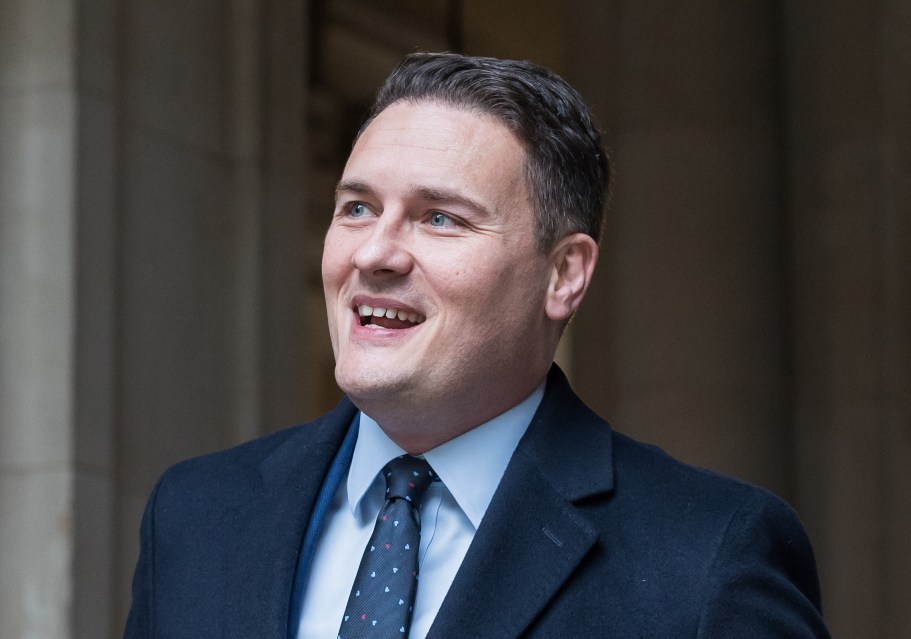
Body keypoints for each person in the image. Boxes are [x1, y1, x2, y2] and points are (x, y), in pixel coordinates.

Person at [125, 53, 829, 638]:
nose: (374, 252)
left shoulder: (707, 555)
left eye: (439, 218)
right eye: (358, 207)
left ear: (563, 275)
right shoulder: (195, 515)